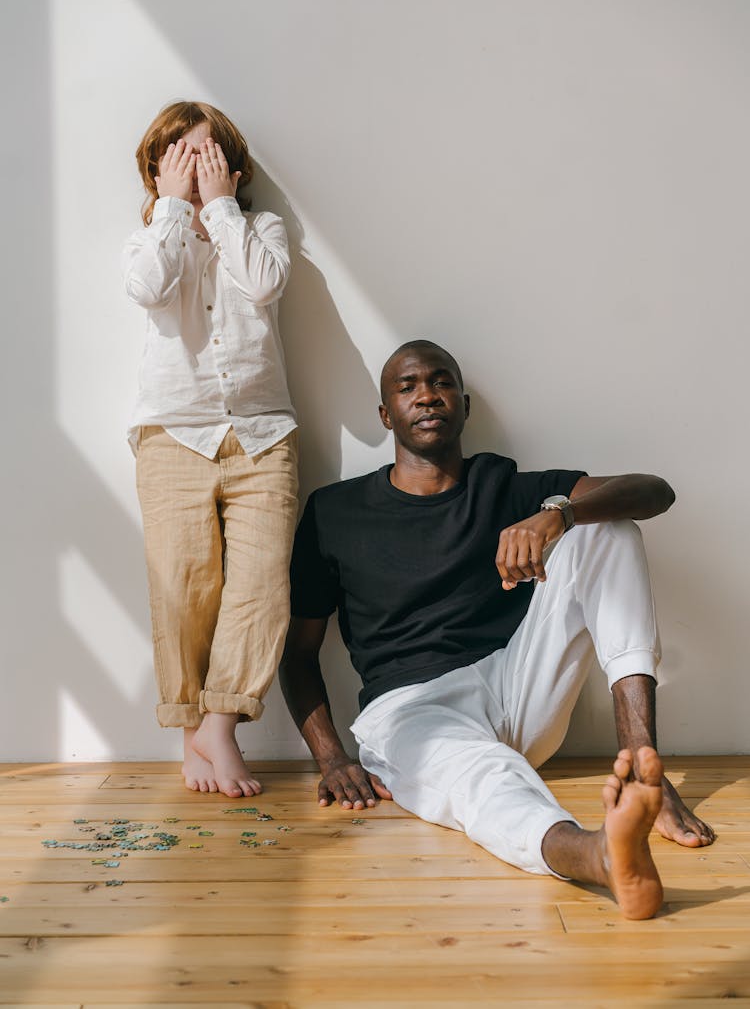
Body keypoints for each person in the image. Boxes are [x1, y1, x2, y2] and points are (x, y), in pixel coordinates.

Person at [280, 339, 715, 919]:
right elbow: (300, 653)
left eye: (440, 381)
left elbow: (654, 490)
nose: (427, 394)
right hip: (411, 709)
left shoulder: (505, 486)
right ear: (385, 415)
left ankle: (643, 765)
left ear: (464, 403)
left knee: (606, 530)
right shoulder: (334, 511)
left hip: (517, 685)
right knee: (482, 775)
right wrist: (332, 758)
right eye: (406, 386)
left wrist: (560, 514)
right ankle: (596, 855)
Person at [123, 101, 298, 797]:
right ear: (159, 165)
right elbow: (147, 287)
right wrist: (172, 209)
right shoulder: (146, 239)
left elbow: (264, 283)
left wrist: (222, 209)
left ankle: (220, 728)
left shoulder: (261, 229)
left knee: (262, 586)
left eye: (208, 153)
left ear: (232, 163)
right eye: (181, 154)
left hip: (264, 432)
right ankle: (190, 732)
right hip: (173, 432)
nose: (196, 167)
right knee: (183, 586)